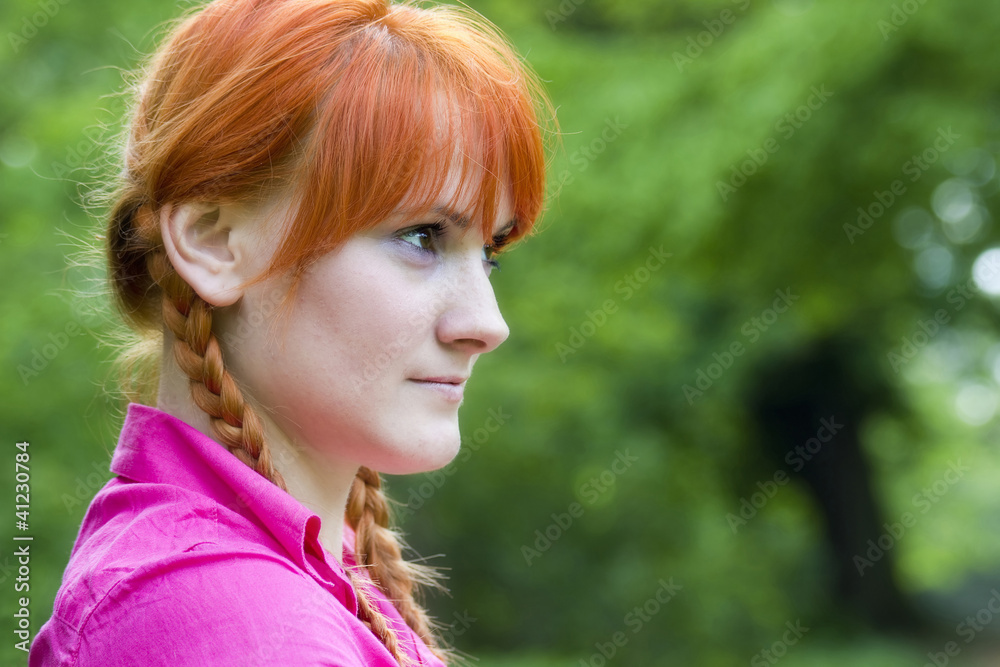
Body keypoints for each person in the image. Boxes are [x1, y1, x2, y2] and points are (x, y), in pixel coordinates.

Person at [29, 0, 552, 664]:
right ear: (213, 241)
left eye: (490, 252)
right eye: (422, 236)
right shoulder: (228, 619)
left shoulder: (276, 589)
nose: (487, 324)